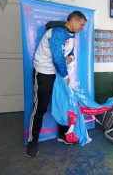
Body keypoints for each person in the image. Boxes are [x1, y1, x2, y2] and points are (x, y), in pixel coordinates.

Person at [26, 11, 87, 158]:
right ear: (73, 20)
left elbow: (70, 52)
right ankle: (33, 141)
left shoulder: (72, 34)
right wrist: (65, 74)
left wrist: (71, 57)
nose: (82, 28)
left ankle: (62, 134)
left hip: (58, 72)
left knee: (62, 103)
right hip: (44, 71)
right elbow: (58, 58)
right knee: (40, 107)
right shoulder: (57, 32)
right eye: (81, 24)